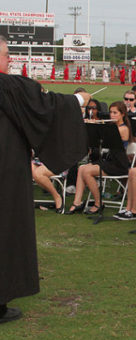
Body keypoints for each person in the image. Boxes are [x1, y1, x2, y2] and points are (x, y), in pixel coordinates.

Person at [0, 36, 89, 323]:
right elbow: (46, 107)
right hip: (5, 174)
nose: (9, 60)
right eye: (5, 54)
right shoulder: (7, 86)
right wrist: (77, 100)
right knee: (6, 230)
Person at [66, 102, 132, 215]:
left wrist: (93, 127)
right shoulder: (112, 126)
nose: (112, 115)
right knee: (82, 168)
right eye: (111, 112)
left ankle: (98, 203)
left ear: (123, 114)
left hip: (119, 164)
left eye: (115, 113)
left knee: (87, 171)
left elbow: (106, 137)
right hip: (110, 161)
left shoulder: (123, 129)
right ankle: (77, 202)